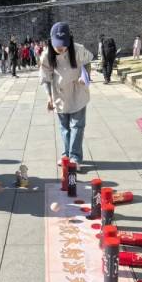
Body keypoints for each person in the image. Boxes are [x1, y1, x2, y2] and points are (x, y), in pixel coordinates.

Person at [39, 22, 94, 171]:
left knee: (77, 126)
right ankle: (66, 155)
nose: (60, 47)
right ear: (51, 40)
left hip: (77, 91)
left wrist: (85, 75)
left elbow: (88, 61)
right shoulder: (46, 55)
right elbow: (45, 77)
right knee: (64, 127)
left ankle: (75, 157)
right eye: (57, 44)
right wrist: (49, 97)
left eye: (63, 44)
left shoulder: (78, 49)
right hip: (59, 94)